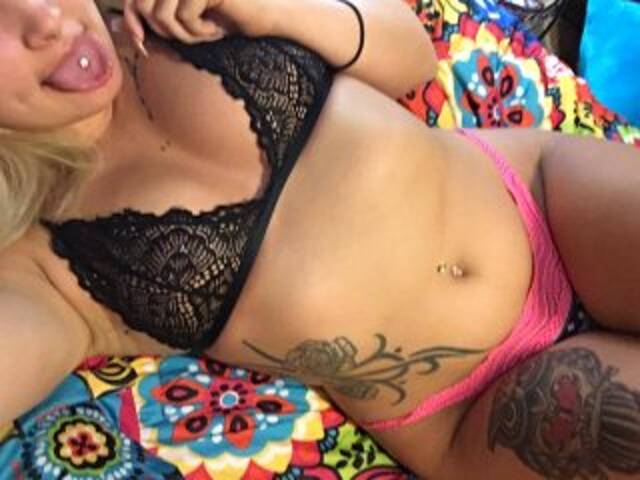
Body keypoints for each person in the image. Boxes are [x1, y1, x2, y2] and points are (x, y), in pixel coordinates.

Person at [1, 1, 640, 478]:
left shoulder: (175, 10)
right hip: (471, 403)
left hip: (541, 198)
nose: (46, 19)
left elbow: (411, 55)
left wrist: (268, 8)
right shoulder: (39, 263)